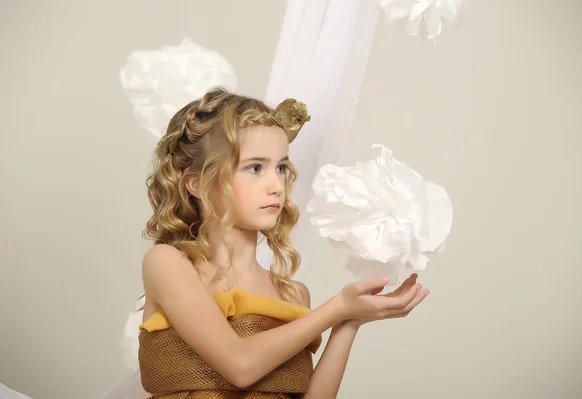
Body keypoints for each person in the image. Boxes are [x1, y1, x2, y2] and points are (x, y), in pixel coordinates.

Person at [138, 88, 430, 398]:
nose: (277, 185)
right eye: (255, 168)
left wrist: (348, 321)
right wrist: (336, 309)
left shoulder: (291, 295)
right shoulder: (169, 264)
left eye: (280, 167)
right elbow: (240, 366)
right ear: (197, 184)